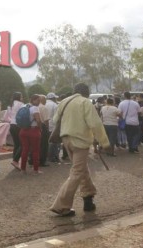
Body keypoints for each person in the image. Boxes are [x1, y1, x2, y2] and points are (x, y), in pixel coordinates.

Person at [49, 83, 110, 217]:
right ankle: (61, 206)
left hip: (66, 139)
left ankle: (88, 198)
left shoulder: (64, 101)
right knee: (77, 171)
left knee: (81, 169)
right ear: (86, 92)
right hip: (80, 141)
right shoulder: (85, 102)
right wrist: (104, 142)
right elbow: (95, 124)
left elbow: (55, 120)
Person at [19, 94, 42, 174]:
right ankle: (36, 169)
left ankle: (23, 169)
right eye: (38, 100)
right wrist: (40, 128)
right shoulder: (35, 108)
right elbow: (38, 120)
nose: (39, 102)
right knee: (35, 150)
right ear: (33, 100)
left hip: (23, 130)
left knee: (25, 150)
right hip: (33, 131)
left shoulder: (24, 106)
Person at [8, 92, 24, 169]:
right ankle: (15, 160)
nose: (22, 98)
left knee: (17, 144)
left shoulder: (11, 104)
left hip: (12, 125)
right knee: (22, 144)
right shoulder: (21, 104)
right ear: (18, 97)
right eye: (21, 96)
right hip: (18, 125)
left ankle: (15, 161)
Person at [45, 93, 60, 163]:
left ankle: (47, 156)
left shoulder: (44, 104)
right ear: (53, 98)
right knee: (54, 142)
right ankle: (52, 157)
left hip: (45, 125)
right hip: (53, 125)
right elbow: (56, 117)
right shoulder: (54, 105)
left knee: (47, 142)